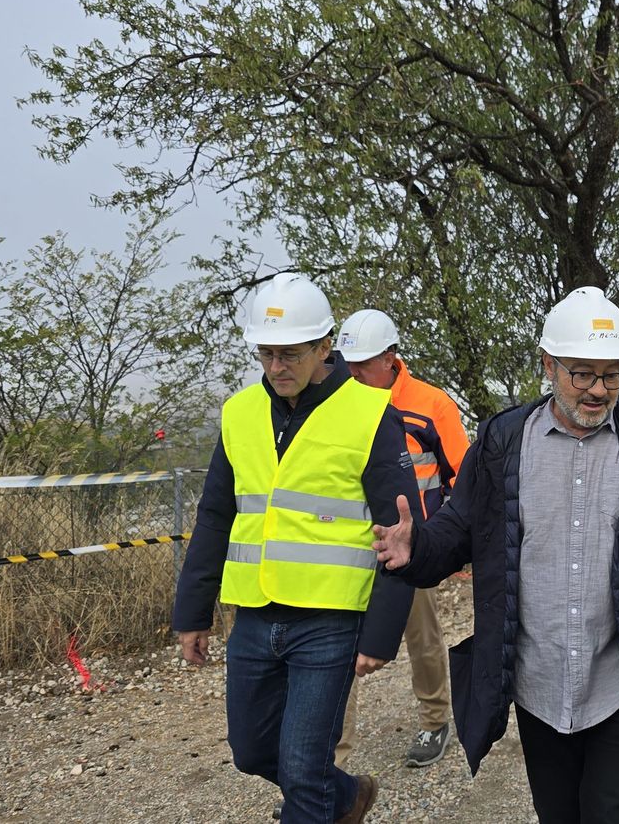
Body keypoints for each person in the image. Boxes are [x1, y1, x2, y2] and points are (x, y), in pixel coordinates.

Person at [371, 286, 619, 824]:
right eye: (582, 374)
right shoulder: (504, 439)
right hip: (538, 684)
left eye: (610, 375)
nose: (598, 390)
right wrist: (418, 546)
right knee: (557, 814)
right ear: (549, 365)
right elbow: (458, 527)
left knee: (615, 813)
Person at [173, 273, 419, 824]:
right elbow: (216, 517)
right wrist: (193, 614)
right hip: (254, 615)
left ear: (324, 347)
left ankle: (327, 795)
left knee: (304, 768)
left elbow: (401, 531)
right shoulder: (238, 413)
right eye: (267, 354)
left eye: (290, 354)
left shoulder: (371, 412)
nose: (277, 367)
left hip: (330, 622)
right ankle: (349, 796)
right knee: (253, 753)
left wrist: (381, 632)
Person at [333, 309, 470, 771]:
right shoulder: (335, 404)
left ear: (391, 357)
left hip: (415, 550)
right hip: (350, 548)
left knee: (422, 638)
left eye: (364, 362)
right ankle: (330, 760)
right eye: (347, 362)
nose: (353, 371)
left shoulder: (431, 403)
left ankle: (435, 719)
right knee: (333, 648)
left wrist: (449, 540)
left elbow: (465, 477)